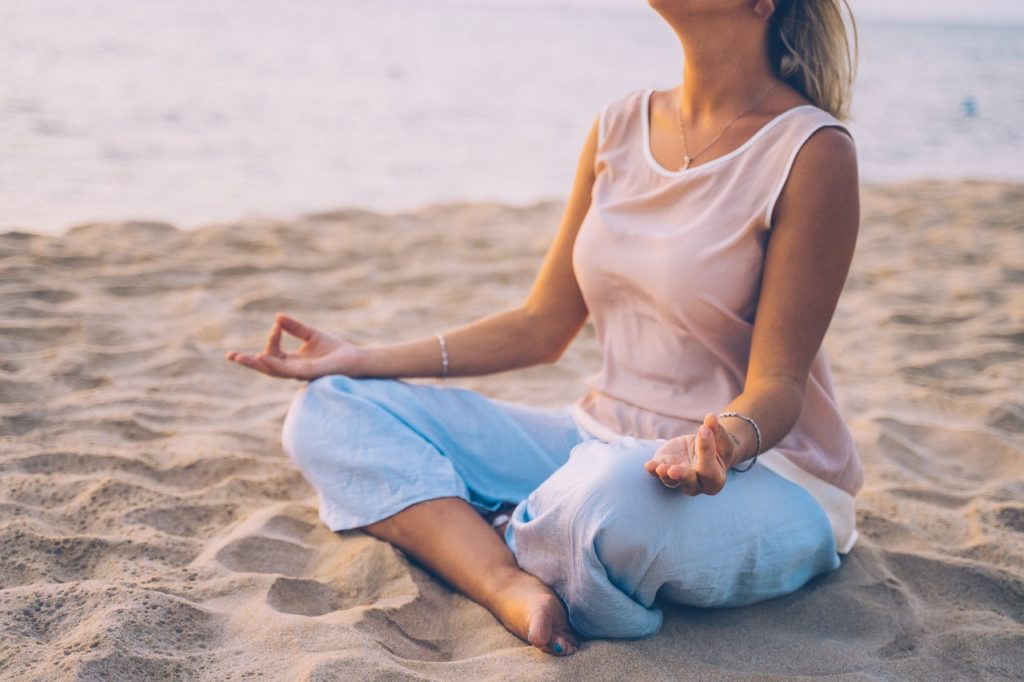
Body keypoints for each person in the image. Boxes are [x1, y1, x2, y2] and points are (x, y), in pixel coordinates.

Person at [225, 0, 862, 658]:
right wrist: (360, 359)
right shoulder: (620, 126)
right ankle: (505, 579)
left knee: (606, 508)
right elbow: (541, 326)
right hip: (592, 439)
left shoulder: (811, 152)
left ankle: (494, 521)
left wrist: (721, 443)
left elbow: (781, 385)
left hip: (757, 471)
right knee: (329, 411)